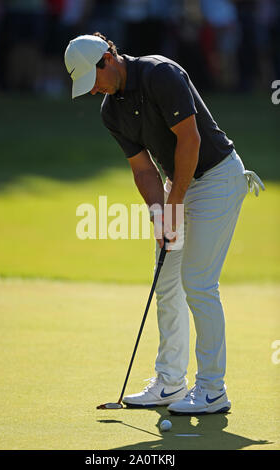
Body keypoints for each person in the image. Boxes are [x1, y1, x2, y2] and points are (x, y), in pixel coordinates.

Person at [64, 32, 265, 414]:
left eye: (94, 80)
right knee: (166, 281)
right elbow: (143, 170)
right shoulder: (110, 111)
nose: (93, 91)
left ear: (109, 57)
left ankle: (212, 389)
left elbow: (189, 142)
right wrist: (161, 215)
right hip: (179, 182)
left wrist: (174, 207)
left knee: (198, 283)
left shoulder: (161, 73)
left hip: (218, 177)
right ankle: (170, 382)